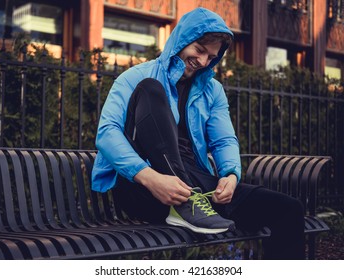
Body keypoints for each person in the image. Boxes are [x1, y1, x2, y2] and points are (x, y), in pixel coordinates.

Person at [92, 7, 305, 260]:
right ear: (182, 40)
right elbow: (107, 132)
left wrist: (230, 175)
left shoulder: (212, 90)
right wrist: (150, 178)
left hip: (199, 190)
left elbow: (224, 139)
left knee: (289, 210)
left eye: (211, 56)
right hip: (146, 186)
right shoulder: (135, 77)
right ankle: (183, 204)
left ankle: (189, 203)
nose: (203, 61)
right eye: (199, 50)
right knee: (150, 89)